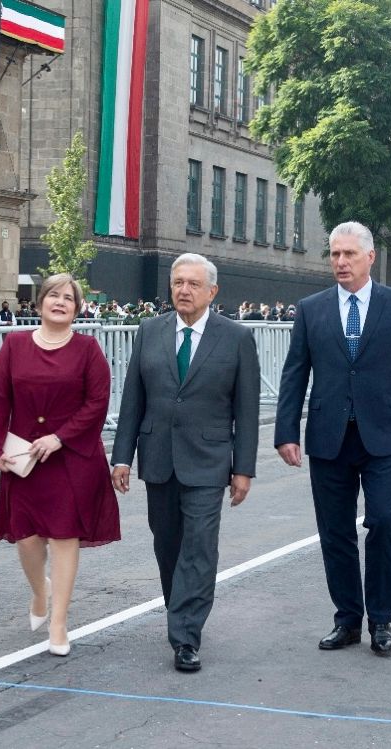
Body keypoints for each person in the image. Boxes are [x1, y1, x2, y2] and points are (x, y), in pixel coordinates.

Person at [274, 221, 391, 656]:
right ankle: (347, 620)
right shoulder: (311, 309)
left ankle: (381, 619)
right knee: (335, 532)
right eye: (335, 254)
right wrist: (286, 431)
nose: (341, 262)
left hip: (384, 436)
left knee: (383, 521)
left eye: (349, 254)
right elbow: (295, 373)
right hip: (329, 437)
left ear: (370, 257)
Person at [110, 253, 260, 673]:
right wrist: (121, 457)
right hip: (158, 456)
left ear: (212, 291)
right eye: (178, 282)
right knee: (168, 544)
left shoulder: (236, 338)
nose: (184, 290)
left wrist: (243, 468)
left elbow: (246, 411)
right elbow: (133, 398)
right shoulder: (149, 331)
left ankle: (185, 635)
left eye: (193, 284)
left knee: (199, 546)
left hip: (209, 460)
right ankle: (180, 610)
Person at [0, 273, 121, 657]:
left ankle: (58, 623)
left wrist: (60, 437)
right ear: (40, 302)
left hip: (72, 459)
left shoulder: (88, 350)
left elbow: (97, 403)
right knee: (26, 538)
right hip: (24, 459)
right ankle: (40, 592)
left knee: (63, 536)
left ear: (77, 308)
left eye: (68, 298)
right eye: (53, 296)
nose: (60, 302)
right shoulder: (14, 345)